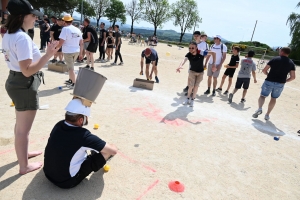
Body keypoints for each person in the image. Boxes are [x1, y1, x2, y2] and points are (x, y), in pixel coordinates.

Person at [3, 0, 58, 174]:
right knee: (23, 130)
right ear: (21, 17)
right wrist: (48, 55)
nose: (35, 18)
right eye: (32, 15)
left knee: (20, 126)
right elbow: (27, 71)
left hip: (14, 81)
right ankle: (24, 166)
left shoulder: (8, 34)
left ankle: (23, 154)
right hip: (24, 83)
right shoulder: (22, 37)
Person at [43, 99, 118, 189]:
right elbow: (113, 151)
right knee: (106, 152)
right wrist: (112, 146)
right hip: (66, 182)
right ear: (81, 119)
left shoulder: (58, 125)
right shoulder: (84, 136)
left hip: (47, 173)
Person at [252, 47, 296, 120]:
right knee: (273, 98)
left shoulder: (275, 59)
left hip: (269, 80)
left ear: (282, 52)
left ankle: (259, 108)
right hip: (280, 83)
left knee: (263, 96)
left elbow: (264, 70)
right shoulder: (291, 63)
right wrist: (285, 81)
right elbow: (293, 77)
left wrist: (268, 74)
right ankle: (267, 114)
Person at [176, 42, 216, 107]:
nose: (191, 49)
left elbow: (213, 53)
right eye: (189, 48)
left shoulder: (201, 52)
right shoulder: (189, 54)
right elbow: (184, 60)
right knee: (191, 86)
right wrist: (180, 66)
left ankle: (192, 100)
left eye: (192, 48)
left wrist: (214, 64)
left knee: (196, 86)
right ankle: (187, 98)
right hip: (192, 72)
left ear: (196, 48)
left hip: (200, 73)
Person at [57, 14, 84, 89]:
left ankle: (74, 83)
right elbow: (81, 43)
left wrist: (55, 49)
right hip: (76, 51)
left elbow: (61, 42)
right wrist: (81, 54)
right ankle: (70, 79)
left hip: (68, 51)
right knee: (71, 66)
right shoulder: (78, 29)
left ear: (65, 22)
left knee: (70, 68)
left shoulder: (65, 29)